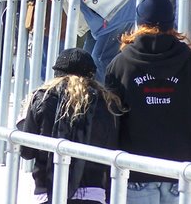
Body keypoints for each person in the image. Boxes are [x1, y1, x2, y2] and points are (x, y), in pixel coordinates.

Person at [105, 0, 191, 204]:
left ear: (139, 23)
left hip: (134, 174)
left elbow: (111, 127)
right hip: (182, 176)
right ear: (171, 23)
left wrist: (108, 181)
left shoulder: (120, 65)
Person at [18, 48, 121, 204]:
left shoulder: (42, 98)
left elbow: (26, 152)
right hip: (92, 192)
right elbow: (112, 147)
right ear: (92, 75)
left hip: (46, 191)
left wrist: (24, 123)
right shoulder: (105, 103)